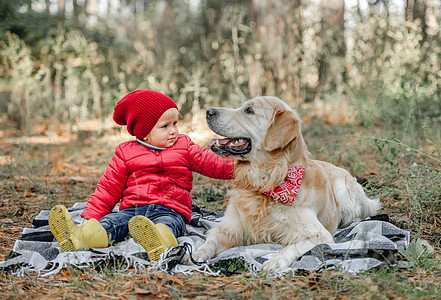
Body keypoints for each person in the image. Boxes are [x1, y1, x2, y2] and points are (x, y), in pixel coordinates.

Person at [48, 90, 235, 261]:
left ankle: (159, 242)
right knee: (111, 223)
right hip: (132, 210)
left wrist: (242, 167)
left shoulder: (184, 146)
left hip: (171, 210)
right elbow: (108, 188)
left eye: (175, 124)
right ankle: (78, 237)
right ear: (145, 133)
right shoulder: (126, 152)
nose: (173, 130)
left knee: (167, 225)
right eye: (165, 126)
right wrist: (91, 216)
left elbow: (212, 163)